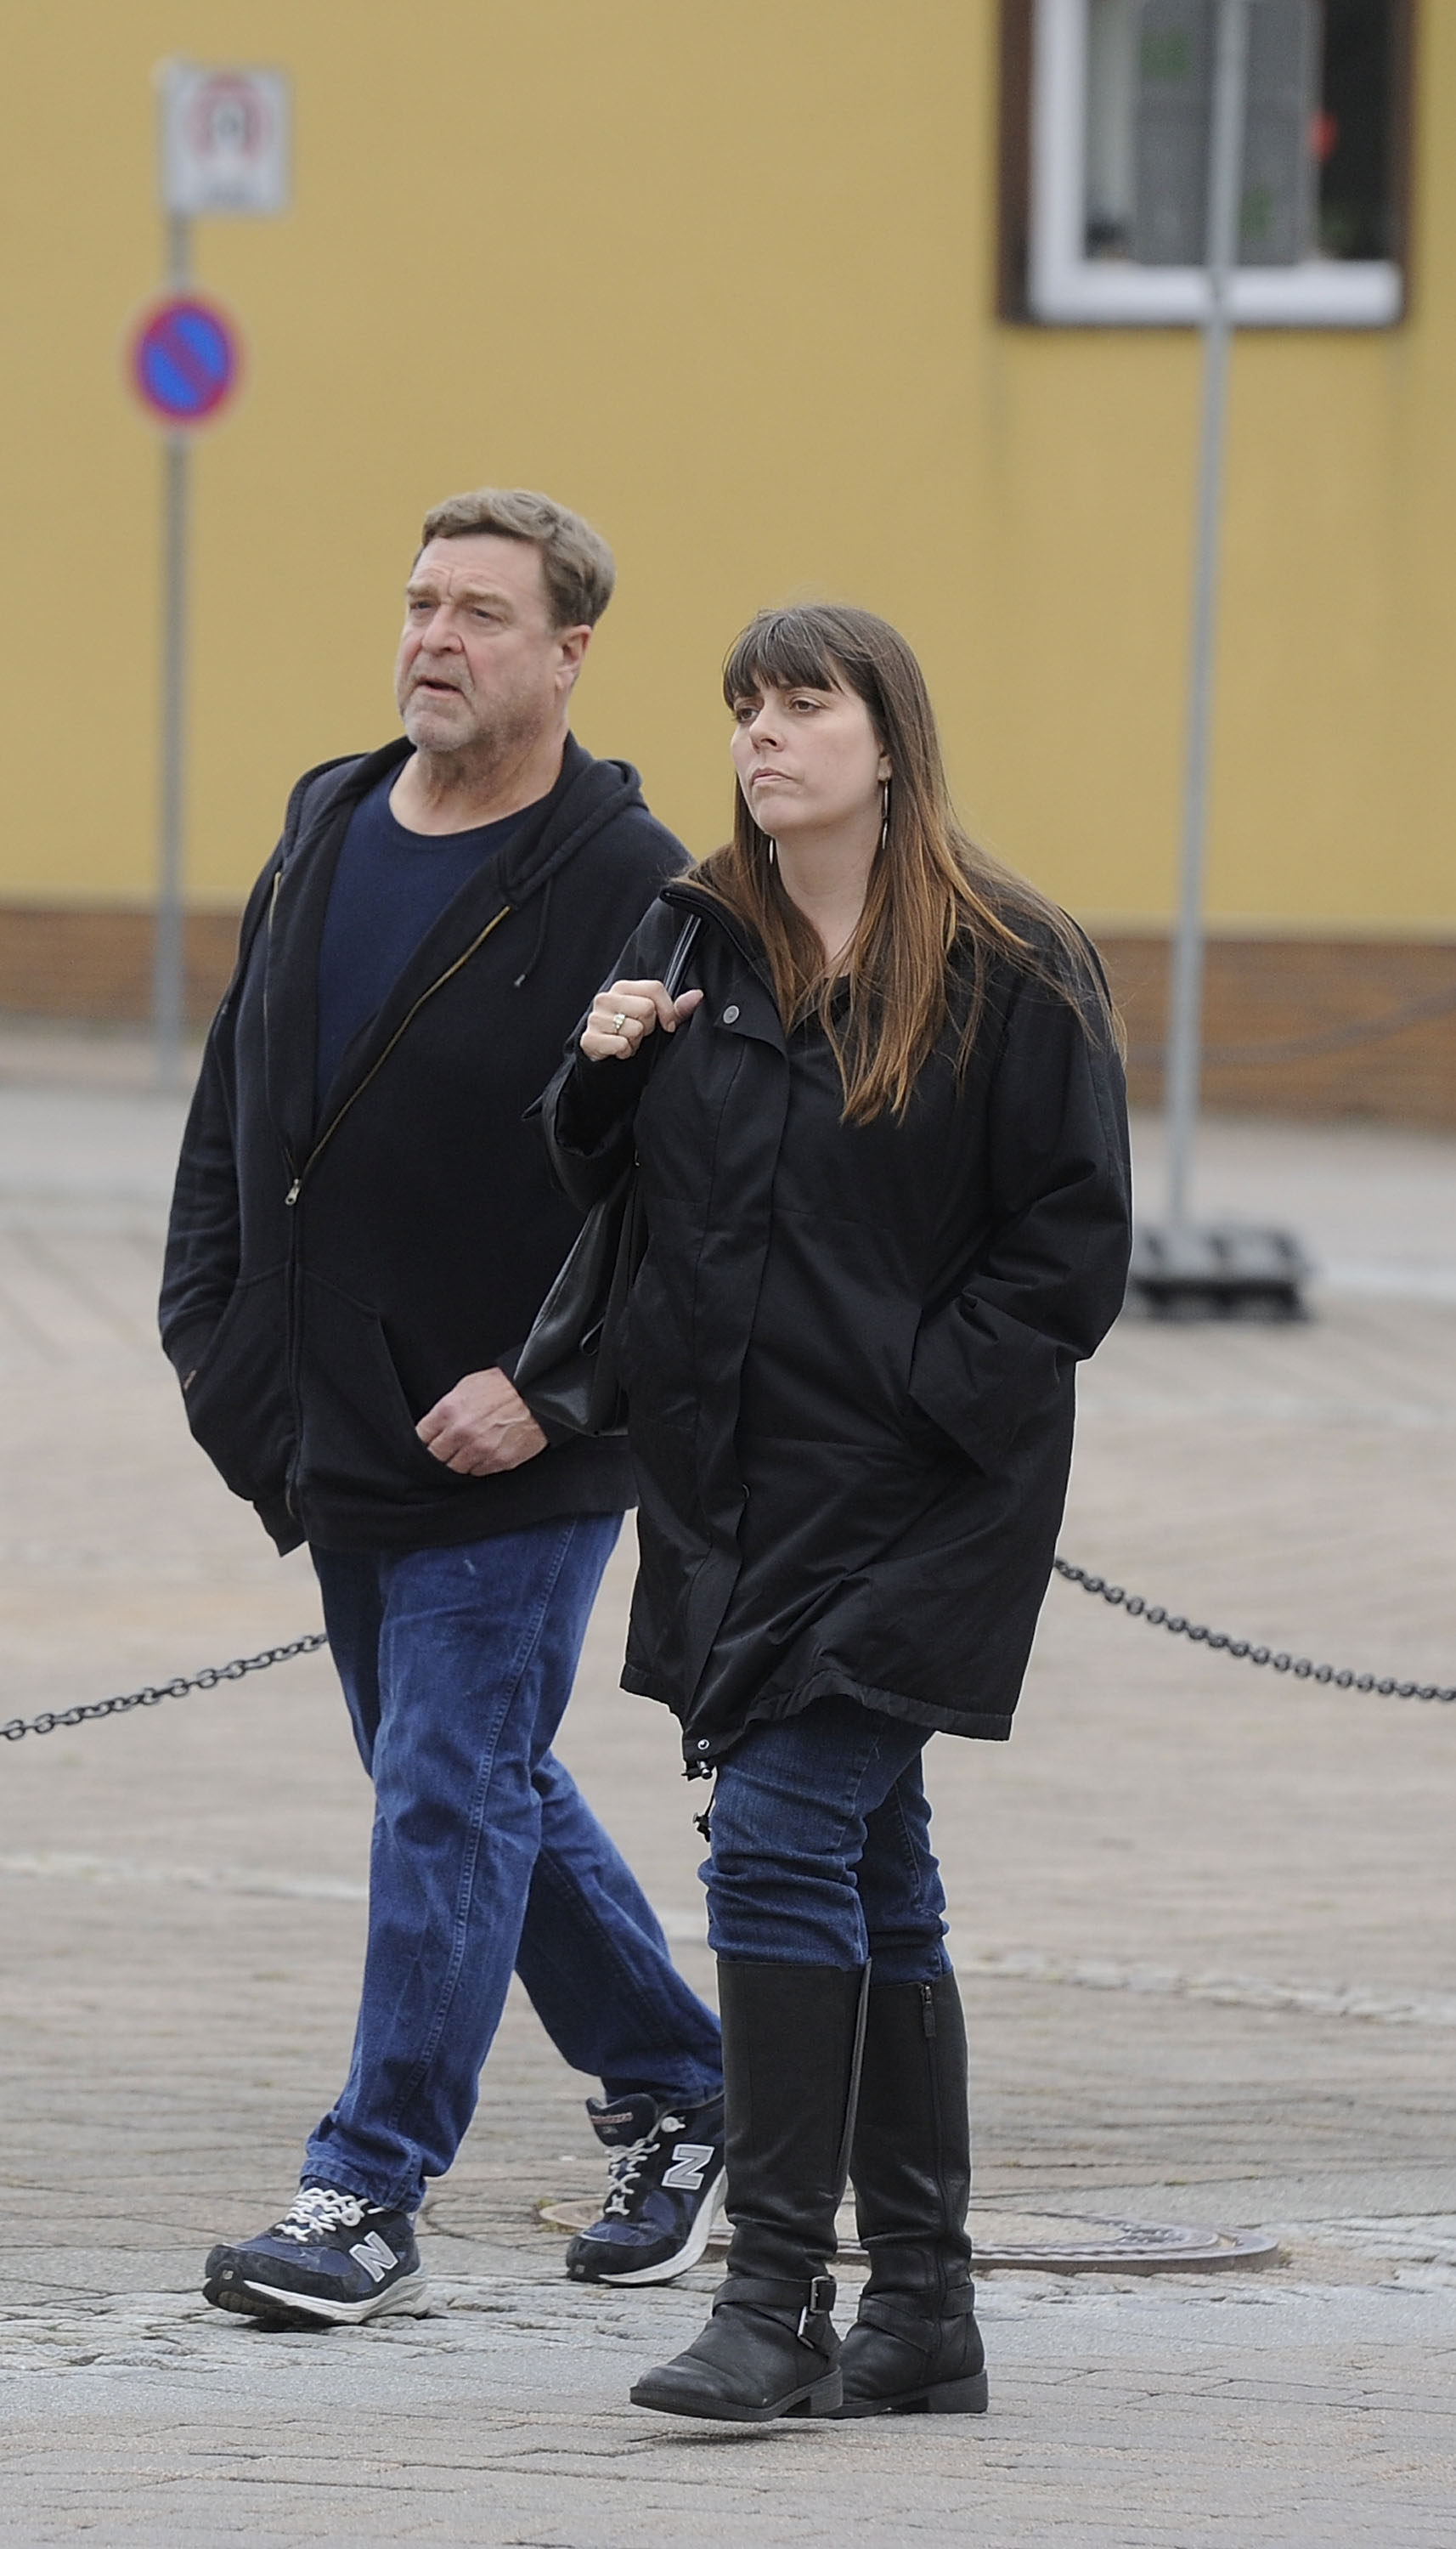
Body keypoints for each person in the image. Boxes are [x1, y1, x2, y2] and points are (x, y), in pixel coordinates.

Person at [538, 603, 1132, 2422]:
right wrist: (604, 1064)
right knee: (877, 1879)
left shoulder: (1011, 960)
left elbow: (1068, 1245)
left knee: (779, 1840)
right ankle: (927, 2312)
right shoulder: (691, 930)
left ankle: (778, 2294)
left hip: (924, 1497)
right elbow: (603, 1176)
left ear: (889, 741)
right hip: (737, 1494)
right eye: (743, 709)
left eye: (802, 706)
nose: (762, 738)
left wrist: (923, 1389)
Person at [161, 488, 724, 2329]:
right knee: (466, 1783)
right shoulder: (327, 817)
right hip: (337, 1418)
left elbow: (675, 1196)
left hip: (515, 1443)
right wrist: (215, 1331)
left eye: (482, 612)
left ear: (567, 653)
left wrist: (549, 1394)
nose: (434, 637)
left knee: (442, 1795)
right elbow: (243, 1093)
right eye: (418, 602)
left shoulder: (626, 879)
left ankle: (365, 2190)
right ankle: (686, 2087)